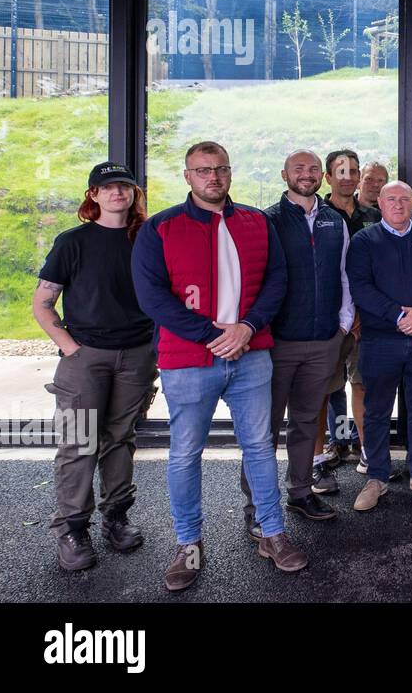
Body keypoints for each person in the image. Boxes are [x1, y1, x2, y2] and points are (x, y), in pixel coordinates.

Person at [131, 141, 305, 591]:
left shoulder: (256, 222)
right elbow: (152, 297)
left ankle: (272, 533)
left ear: (230, 173)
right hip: (188, 360)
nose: (214, 177)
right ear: (187, 176)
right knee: (186, 453)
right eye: (203, 170)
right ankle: (189, 544)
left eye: (221, 169)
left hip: (251, 355)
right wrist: (212, 335)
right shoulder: (160, 228)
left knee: (261, 448)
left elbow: (277, 281)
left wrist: (246, 327)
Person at [34, 162, 156, 572]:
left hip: (136, 356)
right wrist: (70, 348)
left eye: (124, 186)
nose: (117, 193)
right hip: (84, 359)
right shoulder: (72, 242)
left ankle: (116, 517)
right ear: (94, 195)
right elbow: (42, 303)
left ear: (133, 193)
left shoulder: (147, 239)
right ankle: (71, 528)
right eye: (108, 187)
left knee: (121, 438)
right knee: (78, 442)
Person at [241, 151, 354, 540]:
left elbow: (343, 273)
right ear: (285, 174)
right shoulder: (266, 220)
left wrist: (342, 325)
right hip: (276, 343)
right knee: (264, 428)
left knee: (307, 422)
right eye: (298, 169)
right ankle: (256, 504)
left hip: (323, 340)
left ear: (321, 175)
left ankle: (301, 492)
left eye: (311, 170)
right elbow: (252, 279)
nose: (306, 176)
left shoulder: (333, 220)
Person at [345, 181, 412, 511]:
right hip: (381, 341)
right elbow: (359, 287)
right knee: (378, 410)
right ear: (380, 202)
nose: (398, 204)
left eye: (404, 199)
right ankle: (377, 477)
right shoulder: (364, 241)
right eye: (391, 199)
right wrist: (397, 316)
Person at [316, 149, 379, 479]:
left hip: (364, 317)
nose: (348, 176)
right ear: (328, 177)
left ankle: (365, 450)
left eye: (353, 171)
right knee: (327, 389)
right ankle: (337, 440)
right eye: (340, 171)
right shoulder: (316, 213)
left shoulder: (372, 214)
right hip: (326, 320)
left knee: (361, 384)